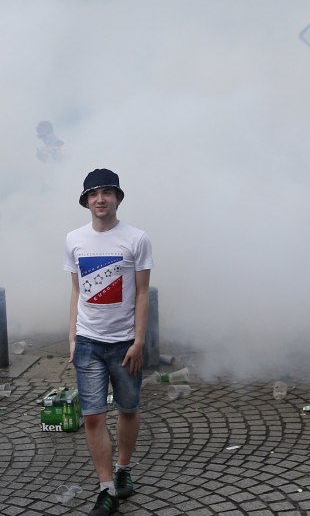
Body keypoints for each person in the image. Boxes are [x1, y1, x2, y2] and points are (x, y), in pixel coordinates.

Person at [65, 168, 153, 516]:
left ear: (117, 197)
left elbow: (143, 294)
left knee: (128, 409)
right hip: (87, 342)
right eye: (93, 193)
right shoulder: (74, 239)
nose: (100, 199)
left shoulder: (136, 239)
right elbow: (75, 291)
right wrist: (72, 338)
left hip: (124, 344)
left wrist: (139, 342)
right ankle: (105, 489)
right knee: (92, 417)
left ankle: (123, 470)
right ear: (86, 200)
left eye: (107, 192)